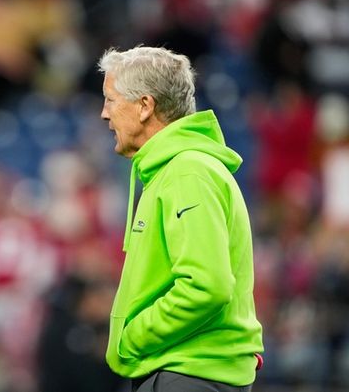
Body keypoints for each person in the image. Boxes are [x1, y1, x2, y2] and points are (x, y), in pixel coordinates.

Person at [98, 45, 264, 392]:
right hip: (184, 372)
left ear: (145, 106)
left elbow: (206, 286)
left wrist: (132, 338)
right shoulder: (173, 171)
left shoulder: (187, 172)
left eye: (111, 100)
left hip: (188, 374)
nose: (104, 114)